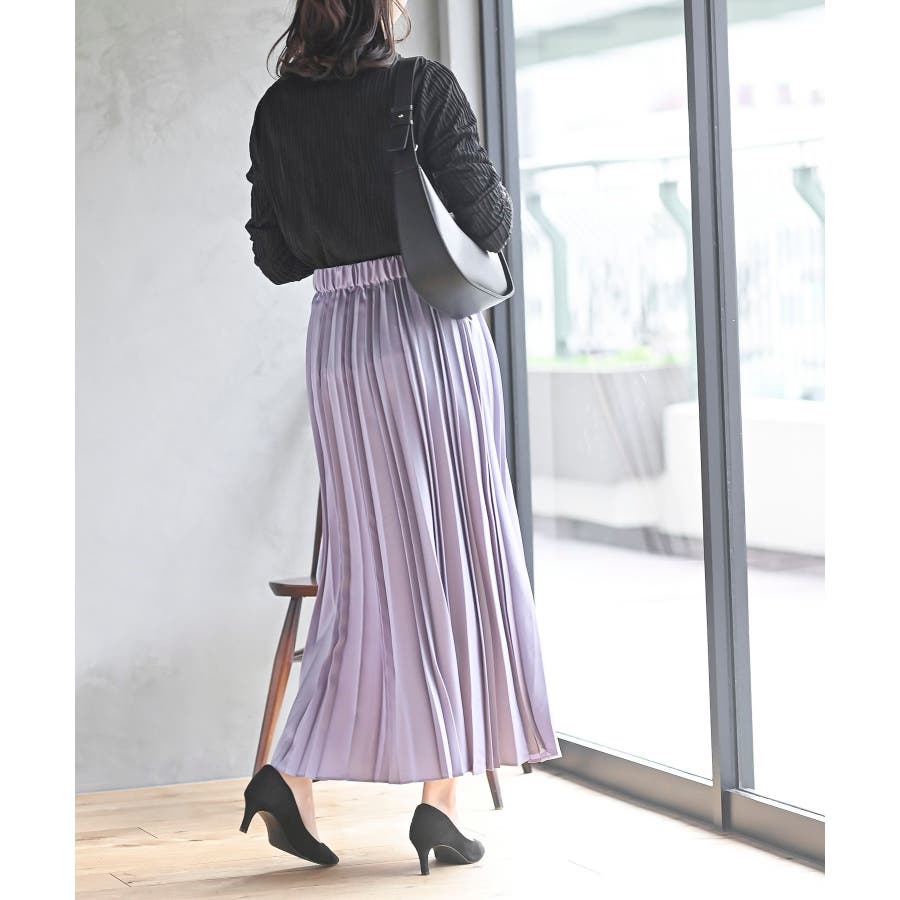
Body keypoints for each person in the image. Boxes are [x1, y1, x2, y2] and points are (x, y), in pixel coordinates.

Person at [239, 0, 562, 876]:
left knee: (369, 573)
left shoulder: (277, 110)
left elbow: (277, 257)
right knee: (455, 561)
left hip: (339, 348)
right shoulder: (422, 88)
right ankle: (436, 802)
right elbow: (490, 226)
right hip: (428, 339)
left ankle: (294, 776)